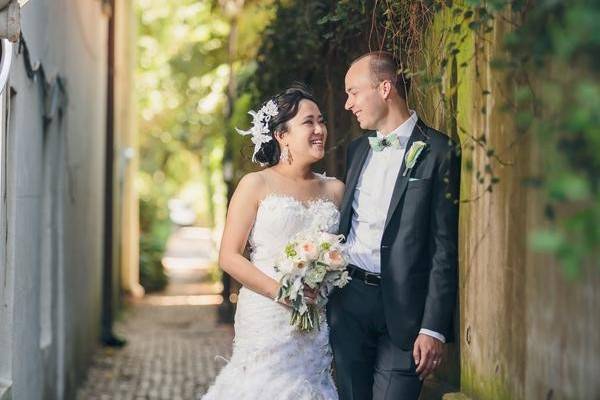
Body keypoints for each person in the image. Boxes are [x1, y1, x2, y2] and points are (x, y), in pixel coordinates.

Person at [327, 51, 461, 400]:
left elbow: (444, 248)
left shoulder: (439, 151)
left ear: (385, 88)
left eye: (353, 92)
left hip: (405, 313)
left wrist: (434, 327)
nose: (347, 104)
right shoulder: (357, 150)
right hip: (349, 303)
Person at [203, 85, 344, 400]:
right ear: (282, 135)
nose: (320, 129)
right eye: (309, 122)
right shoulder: (256, 184)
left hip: (315, 318)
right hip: (266, 314)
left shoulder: (335, 190)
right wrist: (283, 293)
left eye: (321, 121)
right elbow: (229, 256)